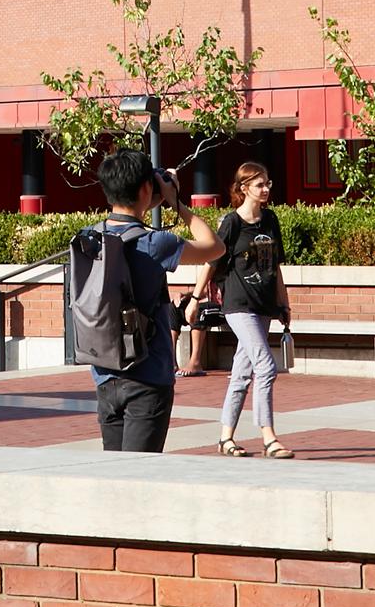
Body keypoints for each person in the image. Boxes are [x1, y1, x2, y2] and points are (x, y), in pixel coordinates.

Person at [65, 147, 183, 452]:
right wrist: (175, 202)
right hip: (149, 377)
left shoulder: (89, 238)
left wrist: (145, 197)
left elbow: (126, 219)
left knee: (114, 470)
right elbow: (215, 246)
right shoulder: (155, 243)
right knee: (139, 472)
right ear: (146, 189)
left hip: (104, 374)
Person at [203, 159, 294, 458]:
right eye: (259, 184)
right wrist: (194, 298)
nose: (265, 189)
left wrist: (284, 302)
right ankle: (269, 437)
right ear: (244, 188)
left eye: (267, 183)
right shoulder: (232, 223)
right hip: (239, 305)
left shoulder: (270, 220)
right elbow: (212, 261)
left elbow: (275, 266)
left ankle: (225, 438)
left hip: (264, 304)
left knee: (242, 373)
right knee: (265, 367)